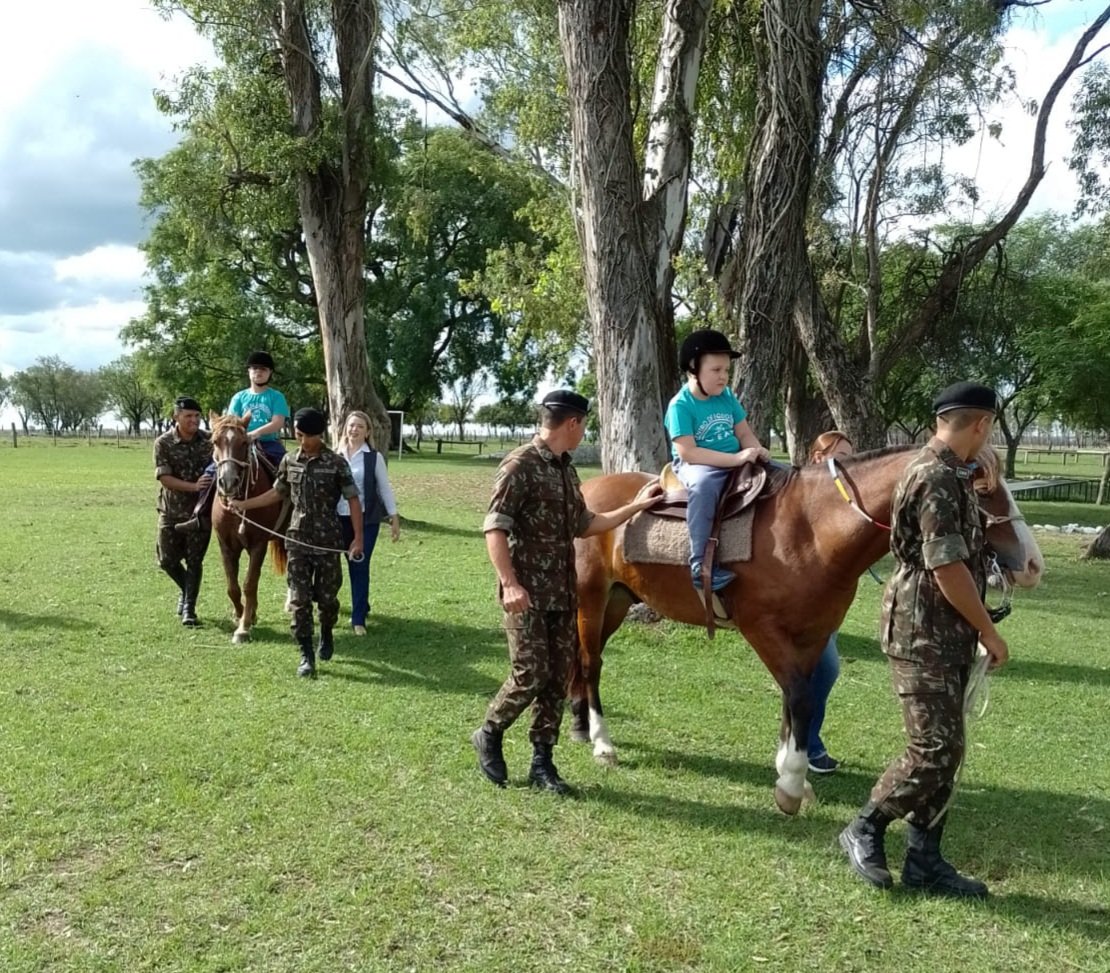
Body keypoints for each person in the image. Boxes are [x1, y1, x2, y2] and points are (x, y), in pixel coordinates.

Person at [840, 381, 1008, 899]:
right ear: (981, 424)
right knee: (933, 748)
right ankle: (865, 826)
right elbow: (946, 566)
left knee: (948, 750)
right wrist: (988, 630)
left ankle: (925, 861)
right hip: (922, 631)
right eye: (990, 430)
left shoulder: (953, 472)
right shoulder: (933, 475)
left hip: (944, 629)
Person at [471, 390, 660, 794]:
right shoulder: (519, 465)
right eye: (584, 425)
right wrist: (510, 583)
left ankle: (542, 763)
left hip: (563, 591)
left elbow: (586, 524)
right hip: (526, 593)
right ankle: (489, 731)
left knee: (558, 679)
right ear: (572, 423)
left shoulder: (565, 470)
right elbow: (494, 528)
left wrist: (635, 507)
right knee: (530, 673)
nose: (583, 432)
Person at [228, 408, 363, 678]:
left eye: (304, 436)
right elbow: (277, 493)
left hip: (327, 542)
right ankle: (306, 655)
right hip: (297, 541)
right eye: (297, 435)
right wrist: (244, 504)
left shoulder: (336, 463)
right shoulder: (289, 460)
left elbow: (353, 500)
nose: (300, 440)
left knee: (327, 600)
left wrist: (358, 538)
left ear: (318, 435)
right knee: (300, 601)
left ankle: (326, 632)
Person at [664, 329, 770, 591]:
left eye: (726, 370)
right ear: (693, 368)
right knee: (703, 487)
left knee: (782, 474)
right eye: (716, 370)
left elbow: (743, 433)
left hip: (735, 457)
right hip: (698, 464)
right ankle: (700, 564)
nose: (723, 376)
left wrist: (757, 450)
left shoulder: (727, 397)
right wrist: (735, 459)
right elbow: (688, 452)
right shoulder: (680, 406)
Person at [177, 350, 290, 533]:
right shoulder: (239, 397)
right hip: (238, 444)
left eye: (263, 369)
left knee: (288, 473)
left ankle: (291, 516)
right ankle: (199, 515)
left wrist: (254, 434)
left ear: (270, 373)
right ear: (248, 371)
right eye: (254, 368)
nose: (258, 372)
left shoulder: (276, 397)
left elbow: (277, 422)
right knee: (210, 473)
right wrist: (241, 436)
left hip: (268, 443)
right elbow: (230, 422)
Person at [806, 430, 855, 774]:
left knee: (822, 670)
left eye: (851, 456)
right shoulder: (806, 493)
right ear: (818, 458)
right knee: (825, 669)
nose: (848, 463)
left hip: (833, 595)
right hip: (807, 594)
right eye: (840, 456)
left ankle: (806, 742)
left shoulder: (848, 497)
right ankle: (807, 745)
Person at [336, 410, 400, 635]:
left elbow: (384, 489)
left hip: (366, 520)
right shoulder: (335, 455)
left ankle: (358, 618)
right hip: (337, 518)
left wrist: (393, 517)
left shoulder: (374, 458)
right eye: (351, 425)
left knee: (359, 566)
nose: (354, 429)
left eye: (360, 426)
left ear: (367, 432)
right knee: (331, 567)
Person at [153, 396, 214, 626]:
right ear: (175, 417)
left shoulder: (209, 440)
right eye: (188, 416)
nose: (194, 420)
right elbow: (165, 478)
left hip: (200, 513)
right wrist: (194, 486)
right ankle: (186, 591)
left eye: (197, 416)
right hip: (171, 511)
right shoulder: (163, 443)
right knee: (166, 560)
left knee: (194, 561)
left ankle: (189, 609)